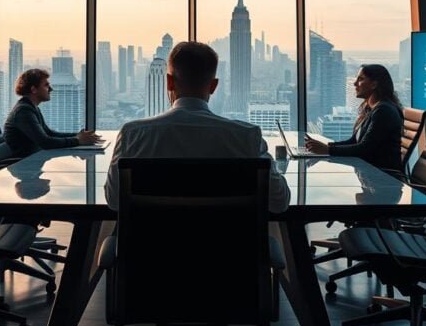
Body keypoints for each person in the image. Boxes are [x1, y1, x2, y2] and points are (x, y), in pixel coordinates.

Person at [104, 42, 290, 213]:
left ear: (169, 82)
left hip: (148, 248)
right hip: (231, 249)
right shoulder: (247, 137)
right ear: (213, 86)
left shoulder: (133, 135)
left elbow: (113, 201)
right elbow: (279, 203)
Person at [304, 64, 403, 174]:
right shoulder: (372, 109)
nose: (355, 83)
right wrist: (325, 146)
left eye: (361, 79)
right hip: (370, 173)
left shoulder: (383, 111)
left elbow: (364, 149)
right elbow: (354, 141)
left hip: (383, 178)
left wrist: (327, 150)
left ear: (374, 84)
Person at [3, 68, 103, 159]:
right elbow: (45, 142)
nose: (51, 89)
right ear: (33, 89)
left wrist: (79, 135)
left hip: (32, 160)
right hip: (21, 166)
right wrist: (78, 140)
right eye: (46, 85)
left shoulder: (31, 107)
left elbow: (49, 133)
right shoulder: (23, 111)